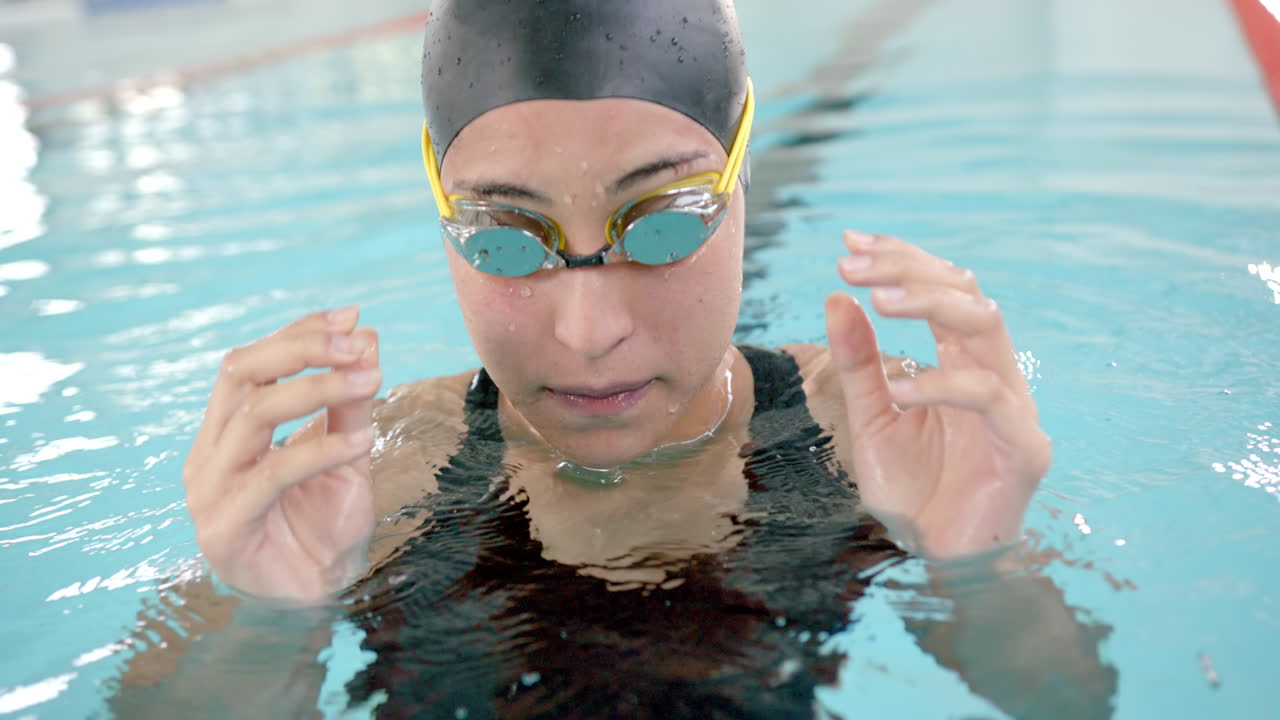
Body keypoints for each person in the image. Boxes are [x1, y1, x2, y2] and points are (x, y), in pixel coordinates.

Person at [113, 1, 1116, 717]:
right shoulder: (367, 477)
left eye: (666, 223)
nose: (588, 332)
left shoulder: (871, 436)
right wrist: (263, 619)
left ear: (741, 181)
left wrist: (977, 564)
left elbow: (1066, 695)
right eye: (505, 234)